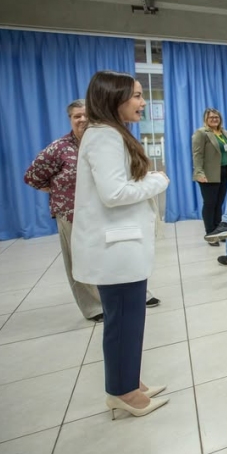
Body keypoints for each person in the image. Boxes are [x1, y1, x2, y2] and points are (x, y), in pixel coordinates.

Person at [71, 71, 170, 418]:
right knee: (124, 320)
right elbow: (114, 194)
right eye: (138, 96)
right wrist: (157, 181)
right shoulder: (104, 137)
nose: (144, 103)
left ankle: (127, 381)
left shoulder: (109, 133)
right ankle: (122, 392)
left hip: (121, 245)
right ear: (115, 98)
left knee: (128, 320)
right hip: (115, 247)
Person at [24, 99, 102, 321]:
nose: (83, 119)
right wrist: (57, 191)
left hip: (101, 211)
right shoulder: (59, 148)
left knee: (105, 257)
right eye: (77, 116)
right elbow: (32, 176)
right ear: (71, 119)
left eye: (87, 115)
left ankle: (116, 297)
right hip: (70, 213)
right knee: (78, 261)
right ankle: (93, 307)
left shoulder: (100, 143)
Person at [191, 108, 227, 244]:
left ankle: (219, 231)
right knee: (210, 204)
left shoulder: (225, 133)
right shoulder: (201, 133)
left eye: (216, 117)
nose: (214, 119)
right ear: (206, 119)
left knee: (219, 203)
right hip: (208, 174)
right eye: (211, 117)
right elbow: (197, 155)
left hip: (224, 172)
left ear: (220, 119)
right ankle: (210, 234)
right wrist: (199, 173)